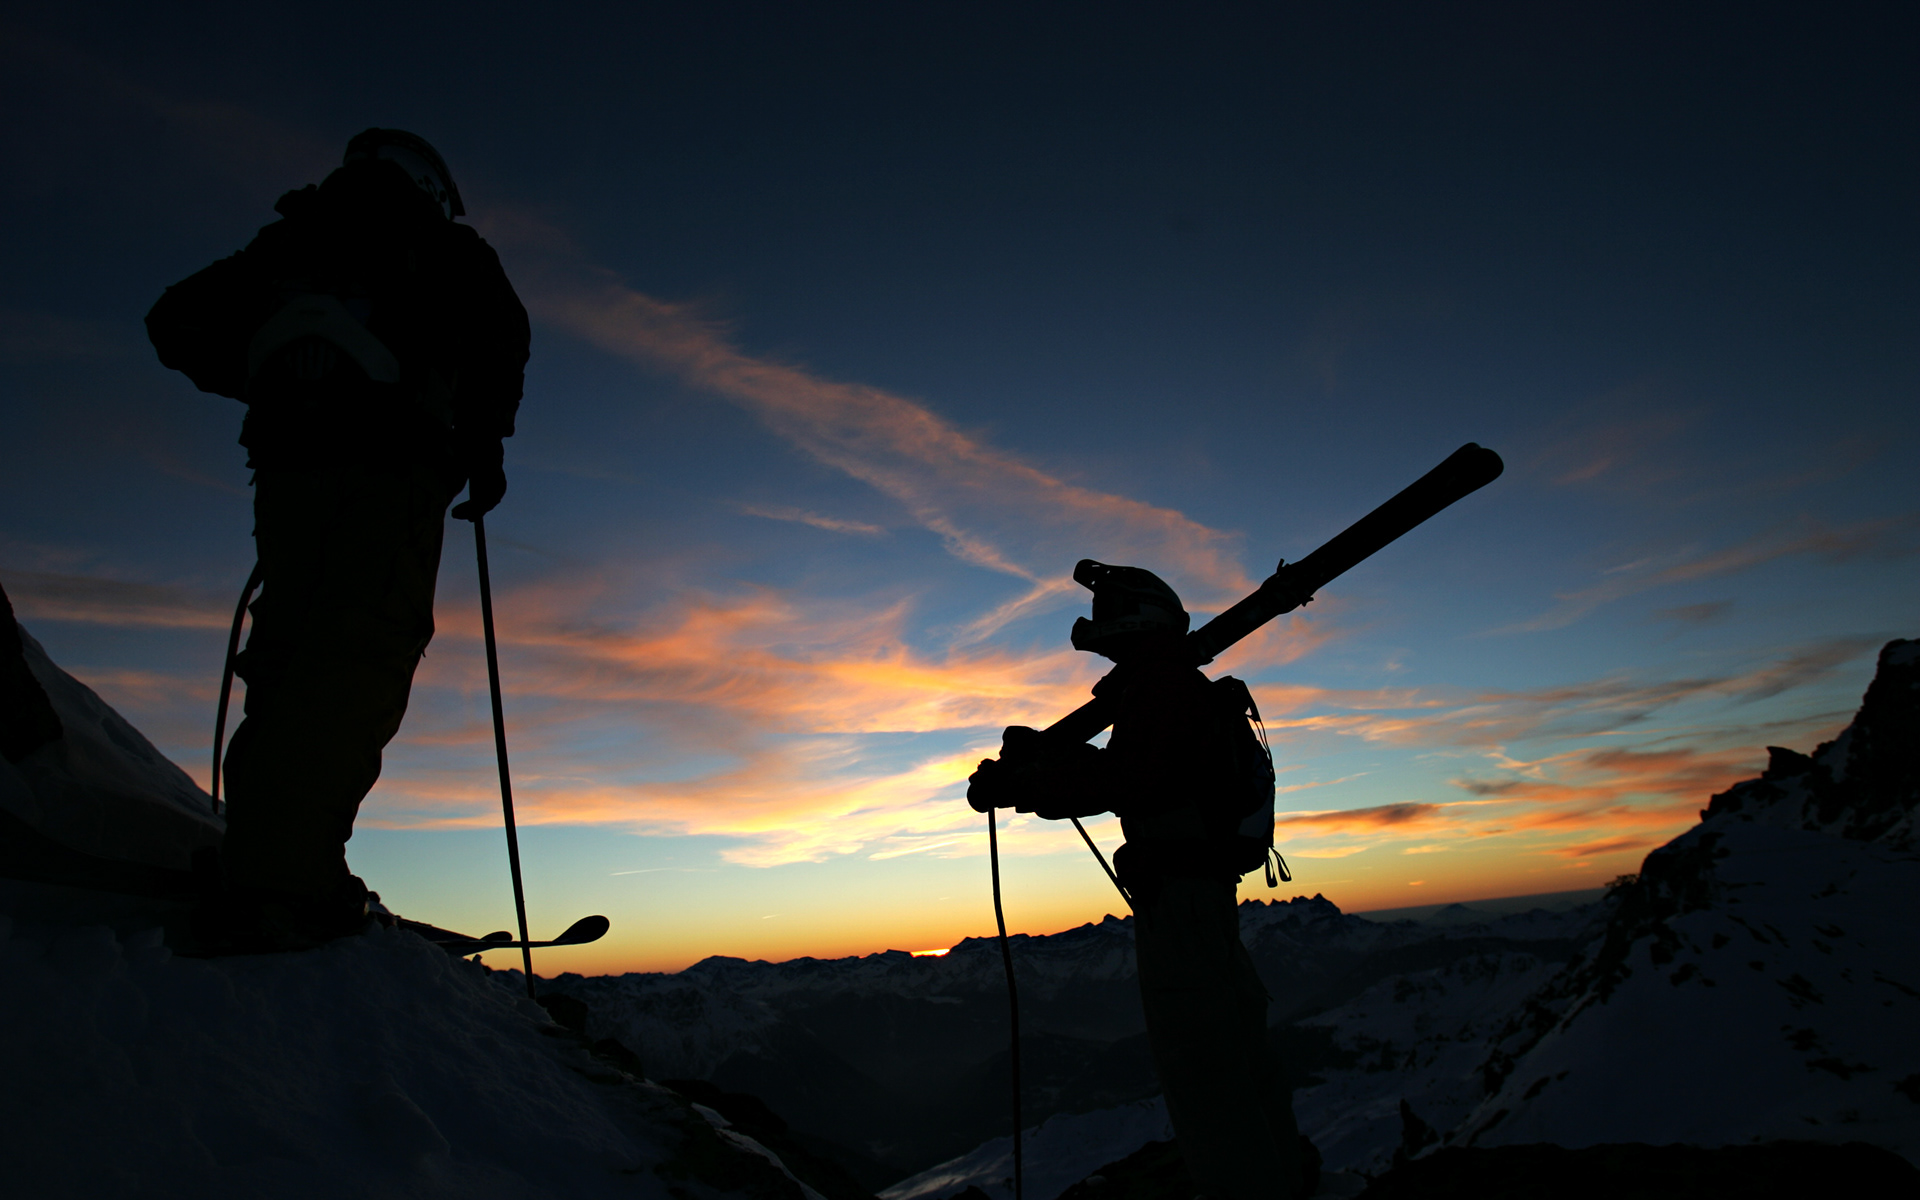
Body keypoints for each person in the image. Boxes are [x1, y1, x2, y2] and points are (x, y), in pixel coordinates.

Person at [146, 129, 530, 951]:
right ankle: (285, 879)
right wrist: (482, 446)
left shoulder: (291, 243)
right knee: (361, 647)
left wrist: (271, 377)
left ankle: (263, 845)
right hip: (394, 466)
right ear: (433, 187)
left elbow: (174, 322)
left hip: (287, 469)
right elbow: (501, 342)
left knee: (291, 645)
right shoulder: (446, 250)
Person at [968, 560, 1304, 1200]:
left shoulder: (1157, 689)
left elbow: (1125, 780)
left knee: (1200, 1059)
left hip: (1180, 898)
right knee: (1235, 1049)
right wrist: (1048, 759)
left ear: (1134, 617)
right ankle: (1278, 1178)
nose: (1097, 623)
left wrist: (1026, 784)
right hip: (1197, 891)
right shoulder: (1169, 686)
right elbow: (1145, 768)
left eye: (1108, 608)